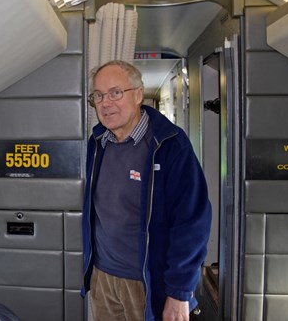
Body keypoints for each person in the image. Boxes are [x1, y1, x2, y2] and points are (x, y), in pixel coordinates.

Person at [81, 60, 211, 321]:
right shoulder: (97, 143)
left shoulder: (170, 145)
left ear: (138, 94)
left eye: (116, 93)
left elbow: (192, 223)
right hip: (102, 277)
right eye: (98, 95)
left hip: (148, 281)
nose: (105, 103)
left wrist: (179, 292)